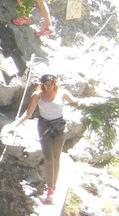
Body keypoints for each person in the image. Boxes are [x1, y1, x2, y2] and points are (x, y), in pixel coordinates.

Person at [10, 73, 80, 204]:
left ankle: (52, 189)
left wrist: (89, 106)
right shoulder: (37, 95)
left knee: (56, 158)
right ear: (42, 84)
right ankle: (49, 188)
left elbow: (76, 102)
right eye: (46, 84)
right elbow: (28, 112)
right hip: (44, 126)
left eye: (51, 84)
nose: (48, 87)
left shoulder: (62, 93)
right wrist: (15, 125)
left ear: (55, 84)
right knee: (49, 158)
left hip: (59, 126)